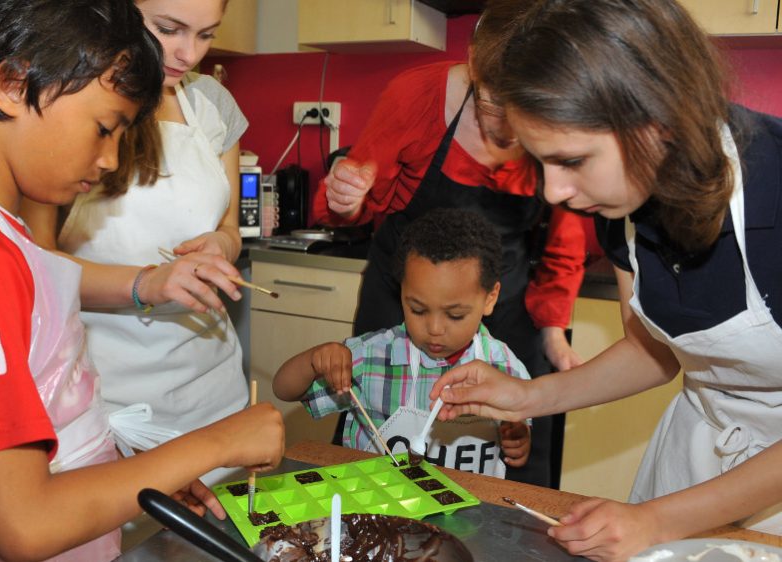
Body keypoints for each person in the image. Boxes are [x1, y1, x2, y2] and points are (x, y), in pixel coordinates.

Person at [0, 1, 284, 560]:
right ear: (12, 84)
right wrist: (217, 442)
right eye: (104, 129)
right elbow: (23, 523)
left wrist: (139, 477)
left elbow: (52, 410)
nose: (110, 159)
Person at [432, 0, 782, 559]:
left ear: (655, 120)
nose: (552, 192)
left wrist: (657, 521)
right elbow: (654, 352)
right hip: (697, 454)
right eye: (542, 163)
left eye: (571, 161)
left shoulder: (776, 191)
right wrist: (527, 396)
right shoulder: (625, 208)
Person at [312, 0, 586, 488]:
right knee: (377, 432)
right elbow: (355, 195)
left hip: (506, 302)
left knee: (513, 447)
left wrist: (552, 329)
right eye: (491, 104)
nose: (505, 127)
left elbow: (565, 235)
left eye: (522, 109)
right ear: (473, 64)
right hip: (404, 292)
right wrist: (346, 197)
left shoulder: (559, 112)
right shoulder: (415, 94)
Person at [20, 0, 251, 484]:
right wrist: (147, 283)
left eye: (207, 35)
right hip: (111, 399)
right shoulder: (70, 96)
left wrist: (220, 247)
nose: (188, 54)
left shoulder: (210, 101)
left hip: (212, 387)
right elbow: (34, 265)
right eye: (169, 29)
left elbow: (230, 226)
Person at [274, 209, 531, 477]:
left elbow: (518, 435)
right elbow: (284, 389)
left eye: (455, 315)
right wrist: (314, 360)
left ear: (490, 298)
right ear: (402, 292)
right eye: (418, 310)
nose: (434, 329)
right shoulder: (370, 357)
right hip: (374, 508)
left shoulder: (505, 368)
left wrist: (519, 439)